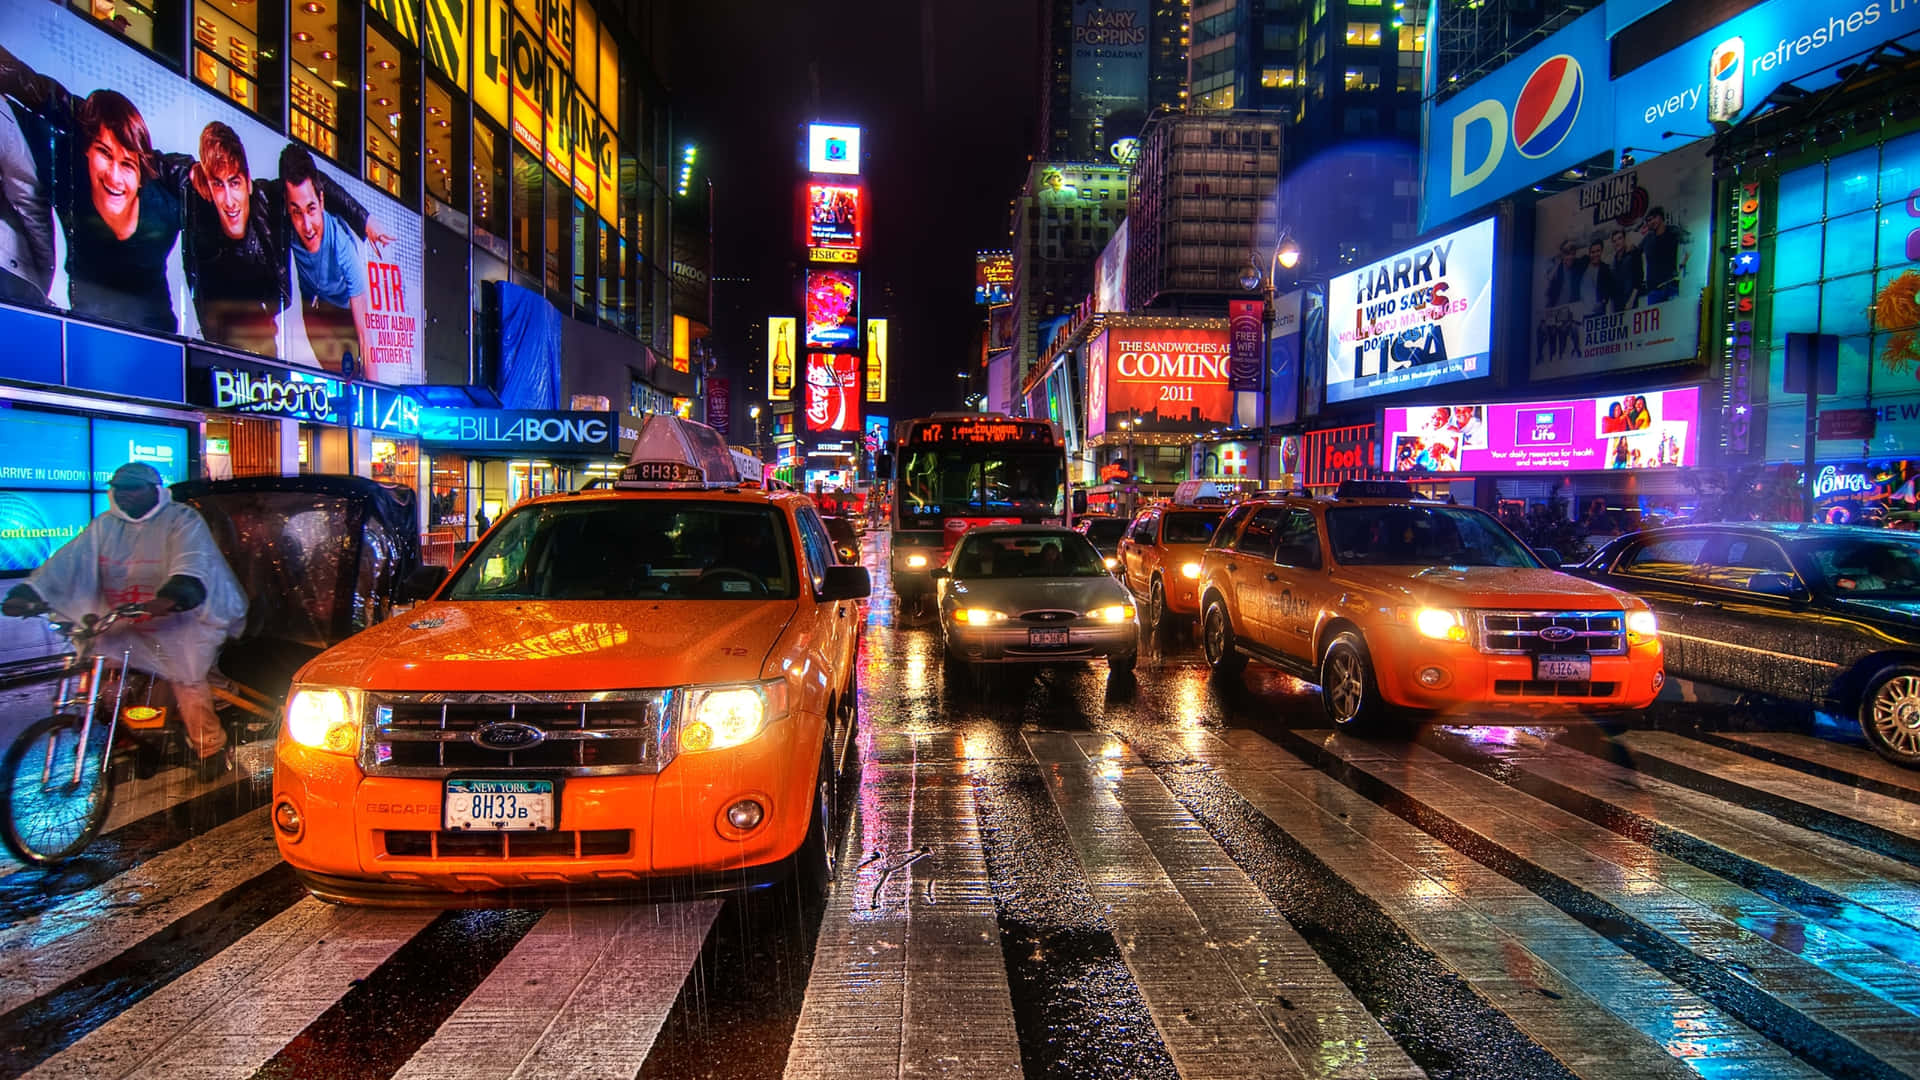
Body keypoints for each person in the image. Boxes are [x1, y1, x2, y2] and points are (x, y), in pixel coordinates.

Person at [2, 463, 248, 780]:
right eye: (119, 488)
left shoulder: (180, 521)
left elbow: (193, 564)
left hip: (185, 616)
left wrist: (172, 597)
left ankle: (210, 747)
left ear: (153, 490)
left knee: (186, 678)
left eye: (133, 488)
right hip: (128, 618)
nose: (125, 494)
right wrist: (29, 592)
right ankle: (128, 735)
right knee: (100, 670)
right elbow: (66, 563)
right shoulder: (105, 527)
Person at [0, 44, 195, 333]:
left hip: (158, 339)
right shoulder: (66, 170)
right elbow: (36, 99)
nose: (115, 177)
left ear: (141, 174)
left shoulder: (166, 207)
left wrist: (193, 174)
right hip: (88, 331)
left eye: (127, 165)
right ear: (86, 153)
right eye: (104, 153)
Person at [184, 124, 384, 357]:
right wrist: (190, 172)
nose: (229, 201)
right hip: (226, 339)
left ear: (247, 182)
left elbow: (316, 183)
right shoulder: (201, 221)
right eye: (218, 185)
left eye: (235, 182)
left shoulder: (268, 198)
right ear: (207, 185)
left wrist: (365, 220)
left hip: (267, 329)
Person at [281, 144, 376, 374]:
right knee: (331, 376)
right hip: (314, 308)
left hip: (345, 311)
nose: (307, 226)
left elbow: (365, 338)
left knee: (354, 372)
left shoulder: (342, 246)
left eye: (311, 209)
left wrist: (377, 398)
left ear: (322, 202)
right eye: (296, 212)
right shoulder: (283, 227)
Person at [1640, 207, 1688, 305]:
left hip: (1670, 286)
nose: (1651, 222)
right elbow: (1636, 254)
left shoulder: (1673, 231)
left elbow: (1691, 243)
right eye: (1649, 220)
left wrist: (1682, 265)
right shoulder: (1648, 239)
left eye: (1654, 218)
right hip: (1653, 290)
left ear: (1661, 217)